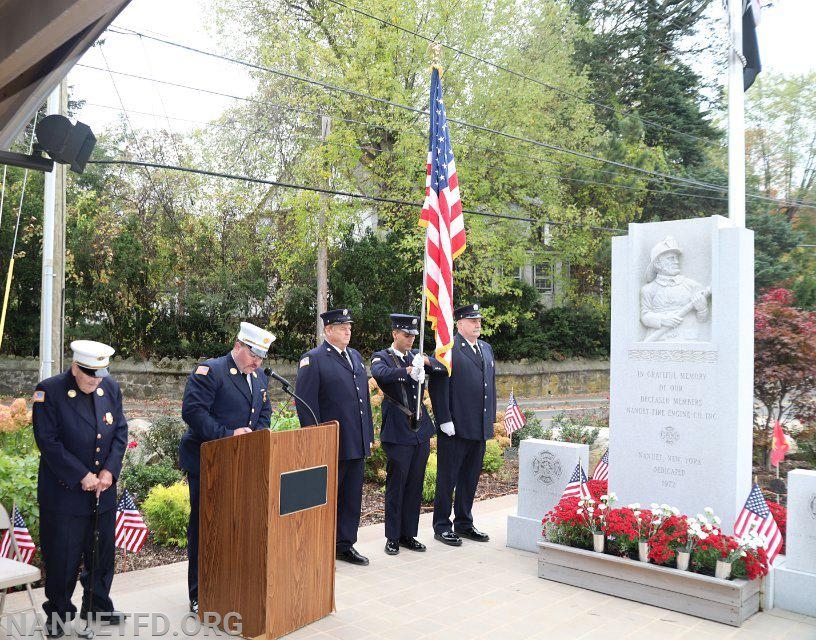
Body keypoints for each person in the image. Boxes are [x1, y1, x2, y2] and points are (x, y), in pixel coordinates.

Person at [32, 340, 129, 638]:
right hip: (65, 495)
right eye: (90, 375)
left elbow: (120, 432)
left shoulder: (110, 388)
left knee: (101, 555)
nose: (96, 381)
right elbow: (47, 441)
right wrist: (82, 475)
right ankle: (59, 616)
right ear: (75, 368)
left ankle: (97, 606)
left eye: (100, 375)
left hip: (103, 491)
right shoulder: (48, 391)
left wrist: (109, 471)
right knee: (63, 559)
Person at [179, 322, 274, 614]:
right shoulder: (210, 372)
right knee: (205, 528)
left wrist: (255, 438)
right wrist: (228, 436)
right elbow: (193, 413)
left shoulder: (258, 377)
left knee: (235, 527)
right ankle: (199, 592)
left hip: (242, 464)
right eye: (253, 354)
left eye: (261, 356)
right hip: (208, 462)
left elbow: (264, 412)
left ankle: (229, 585)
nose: (257, 361)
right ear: (238, 346)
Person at [294, 308, 374, 566]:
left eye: (349, 326)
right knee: (327, 499)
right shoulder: (313, 359)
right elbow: (306, 404)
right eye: (342, 327)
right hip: (331, 441)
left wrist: (368, 434)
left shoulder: (355, 356)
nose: (348, 330)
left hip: (356, 440)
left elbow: (364, 401)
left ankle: (345, 544)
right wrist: (316, 440)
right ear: (328, 330)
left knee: (351, 497)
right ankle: (320, 546)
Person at [370, 313, 446, 556]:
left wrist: (427, 364)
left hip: (419, 431)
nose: (411, 339)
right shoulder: (382, 357)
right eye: (406, 334)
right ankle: (392, 536)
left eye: (414, 335)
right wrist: (408, 371)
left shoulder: (417, 355)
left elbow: (443, 369)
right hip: (398, 431)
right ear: (395, 334)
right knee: (397, 485)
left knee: (415, 484)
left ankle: (408, 534)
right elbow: (381, 374)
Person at [429, 303, 496, 546]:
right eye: (472, 321)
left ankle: (464, 523)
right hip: (455, 427)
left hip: (478, 426)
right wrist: (444, 419)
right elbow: (437, 386)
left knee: (470, 478)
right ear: (459, 324)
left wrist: (490, 420)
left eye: (479, 320)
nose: (477, 324)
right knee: (448, 478)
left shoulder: (486, 348)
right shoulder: (448, 349)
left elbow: (490, 387)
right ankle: (442, 525)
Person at [640, 236, 710, 342]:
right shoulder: (648, 289)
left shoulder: (691, 285)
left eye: (676, 258)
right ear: (658, 264)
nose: (676, 262)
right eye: (671, 258)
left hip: (687, 340)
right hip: (659, 340)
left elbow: (704, 321)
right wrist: (663, 320)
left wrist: (702, 309)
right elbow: (645, 316)